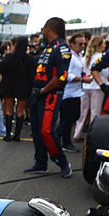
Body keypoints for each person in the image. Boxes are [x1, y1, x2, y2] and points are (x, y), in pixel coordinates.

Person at [25, 17, 73, 178]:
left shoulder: (62, 47)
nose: (42, 30)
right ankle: (40, 162)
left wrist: (44, 90)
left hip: (50, 95)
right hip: (37, 94)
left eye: (43, 27)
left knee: (47, 131)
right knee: (36, 131)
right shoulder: (48, 47)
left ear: (49, 28)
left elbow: (61, 77)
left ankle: (62, 161)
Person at [0, 36, 35, 141]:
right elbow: (32, 75)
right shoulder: (30, 60)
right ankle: (17, 135)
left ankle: (8, 134)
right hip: (23, 86)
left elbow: (0, 68)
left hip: (9, 85)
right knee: (20, 110)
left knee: (8, 109)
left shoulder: (9, 58)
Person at [58, 33, 89, 153]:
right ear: (71, 44)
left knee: (70, 118)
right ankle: (56, 136)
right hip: (69, 93)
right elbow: (67, 75)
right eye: (80, 44)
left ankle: (65, 142)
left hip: (76, 92)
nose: (82, 46)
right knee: (70, 118)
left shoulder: (78, 56)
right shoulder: (69, 57)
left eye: (84, 44)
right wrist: (82, 79)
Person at [74, 36, 107, 141]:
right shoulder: (102, 57)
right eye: (103, 43)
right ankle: (92, 136)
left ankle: (77, 133)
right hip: (97, 87)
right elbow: (106, 73)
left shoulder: (85, 58)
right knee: (95, 113)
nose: (105, 45)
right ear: (99, 45)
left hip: (85, 86)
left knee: (82, 112)